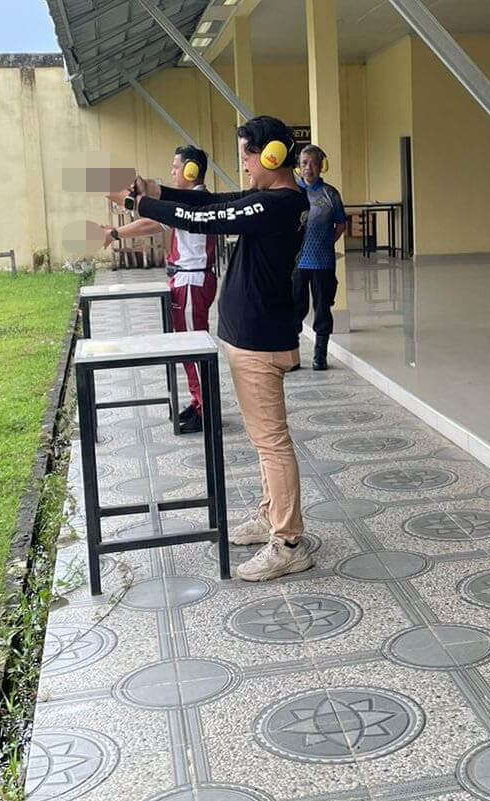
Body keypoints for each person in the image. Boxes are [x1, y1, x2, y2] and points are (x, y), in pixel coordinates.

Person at [109, 115, 313, 583]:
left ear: (273, 155)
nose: (242, 163)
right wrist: (160, 191)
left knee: (272, 442)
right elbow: (217, 202)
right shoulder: (274, 201)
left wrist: (136, 202)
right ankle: (271, 514)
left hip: (260, 341)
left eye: (247, 153)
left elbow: (204, 216)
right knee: (266, 442)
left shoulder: (276, 205)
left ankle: (288, 540)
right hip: (253, 336)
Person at [103, 145, 217, 435]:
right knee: (187, 348)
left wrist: (116, 225)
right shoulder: (190, 201)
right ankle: (199, 401)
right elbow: (154, 223)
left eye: (176, 168)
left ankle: (207, 409)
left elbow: (150, 221)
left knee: (193, 349)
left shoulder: (195, 201)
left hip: (191, 282)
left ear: (192, 171)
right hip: (188, 281)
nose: (172, 172)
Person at [292, 144, 346, 370]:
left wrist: (325, 243)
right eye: (304, 163)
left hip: (323, 261)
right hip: (297, 262)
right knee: (295, 308)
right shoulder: (293, 192)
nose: (308, 168)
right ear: (298, 166)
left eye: (314, 163)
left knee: (323, 308)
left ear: (321, 166)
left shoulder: (330, 194)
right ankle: (291, 356)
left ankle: (319, 355)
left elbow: (340, 225)